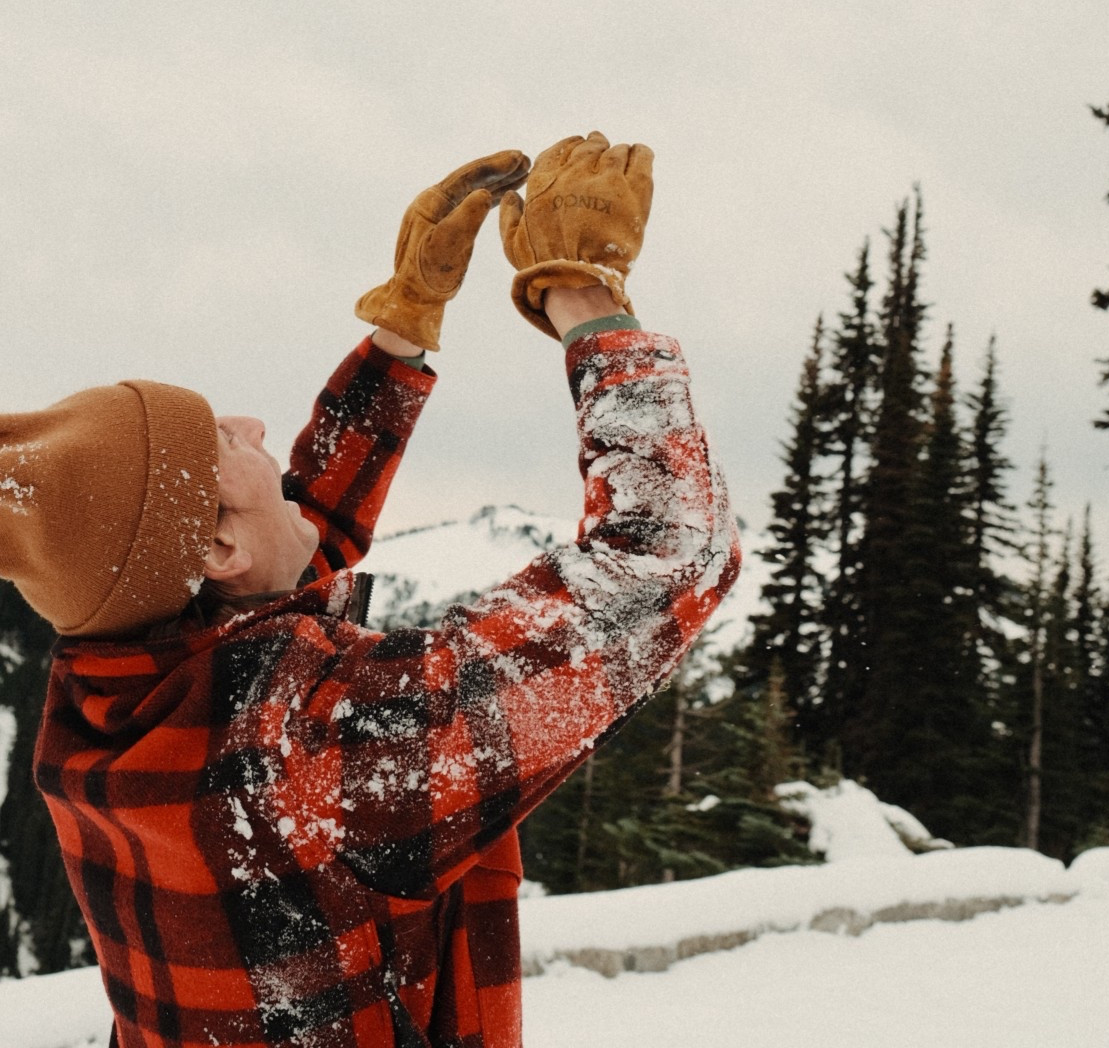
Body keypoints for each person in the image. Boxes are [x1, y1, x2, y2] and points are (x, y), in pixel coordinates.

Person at [0, 135, 740, 1048]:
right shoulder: (318, 747)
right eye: (222, 441)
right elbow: (665, 556)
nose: (251, 423)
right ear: (219, 546)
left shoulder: (113, 684)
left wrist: (404, 324)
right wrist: (585, 299)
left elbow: (288, 546)